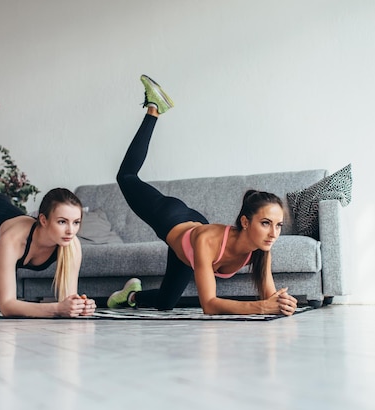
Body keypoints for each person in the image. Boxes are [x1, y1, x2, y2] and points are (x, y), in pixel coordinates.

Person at [107, 75, 298, 316]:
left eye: (279, 225)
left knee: (166, 302)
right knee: (127, 177)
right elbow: (209, 305)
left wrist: (282, 304)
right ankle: (154, 109)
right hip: (173, 218)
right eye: (266, 223)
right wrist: (260, 307)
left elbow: (270, 299)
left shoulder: (261, 248)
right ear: (245, 222)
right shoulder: (207, 242)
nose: (274, 233)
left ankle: (130, 295)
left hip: (191, 242)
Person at [0, 83, 96, 318]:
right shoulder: (13, 240)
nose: (70, 230)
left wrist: (78, 306)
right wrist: (57, 309)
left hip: (0, 237)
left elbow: (67, 299)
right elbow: (9, 307)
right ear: (43, 219)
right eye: (62, 222)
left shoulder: (71, 246)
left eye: (76, 222)